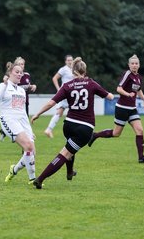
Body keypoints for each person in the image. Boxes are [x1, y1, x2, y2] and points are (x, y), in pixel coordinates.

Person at [31, 57, 114, 189]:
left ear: (73, 72)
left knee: (70, 147)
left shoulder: (67, 86)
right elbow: (110, 97)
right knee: (65, 153)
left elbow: (51, 103)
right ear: (85, 71)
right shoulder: (91, 83)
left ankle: (70, 172)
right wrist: (104, 91)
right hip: (84, 128)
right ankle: (40, 179)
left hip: (68, 125)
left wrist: (37, 114)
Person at [87, 54, 144, 163]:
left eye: (136, 63)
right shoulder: (127, 74)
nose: (134, 65)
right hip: (122, 108)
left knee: (140, 130)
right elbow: (118, 89)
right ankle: (95, 135)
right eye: (132, 63)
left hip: (132, 109)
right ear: (129, 65)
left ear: (139, 65)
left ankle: (141, 157)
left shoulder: (138, 77)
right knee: (116, 133)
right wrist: (128, 94)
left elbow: (139, 90)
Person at [0, 62, 36, 184]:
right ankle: (33, 179)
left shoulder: (22, 91)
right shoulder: (3, 85)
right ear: (10, 73)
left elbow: (23, 112)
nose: (19, 74)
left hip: (21, 120)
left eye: (21, 72)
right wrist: (5, 85)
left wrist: (30, 131)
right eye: (16, 72)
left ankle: (14, 169)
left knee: (32, 152)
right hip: (9, 119)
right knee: (28, 146)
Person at [0, 57, 37, 141]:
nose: (21, 66)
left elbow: (27, 86)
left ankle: (27, 138)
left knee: (24, 120)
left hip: (25, 101)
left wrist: (32, 86)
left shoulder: (27, 75)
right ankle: (22, 140)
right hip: (14, 103)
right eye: (19, 64)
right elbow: (15, 86)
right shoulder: (12, 75)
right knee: (16, 121)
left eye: (22, 64)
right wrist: (29, 86)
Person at [44, 55, 74, 138]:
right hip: (66, 93)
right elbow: (54, 78)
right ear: (65, 61)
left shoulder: (74, 69)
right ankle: (72, 131)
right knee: (72, 111)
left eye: (71, 60)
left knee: (60, 112)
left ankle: (49, 129)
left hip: (72, 93)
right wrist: (58, 89)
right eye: (68, 60)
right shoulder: (63, 69)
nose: (70, 62)